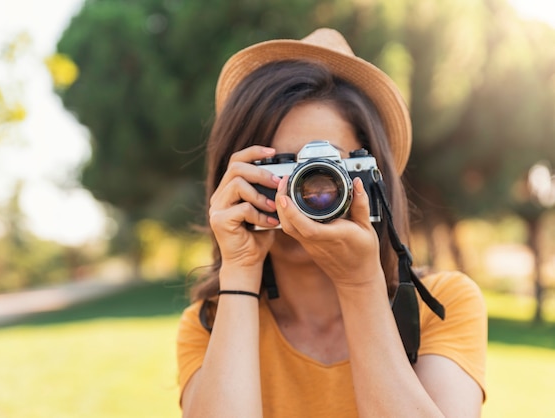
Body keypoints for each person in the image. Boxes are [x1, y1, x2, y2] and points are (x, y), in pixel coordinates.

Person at [177, 28, 487, 417]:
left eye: (326, 169)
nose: (304, 190)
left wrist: (359, 284)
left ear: (372, 179)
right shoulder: (209, 326)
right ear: (235, 179)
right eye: (280, 168)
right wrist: (240, 272)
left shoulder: (442, 306)